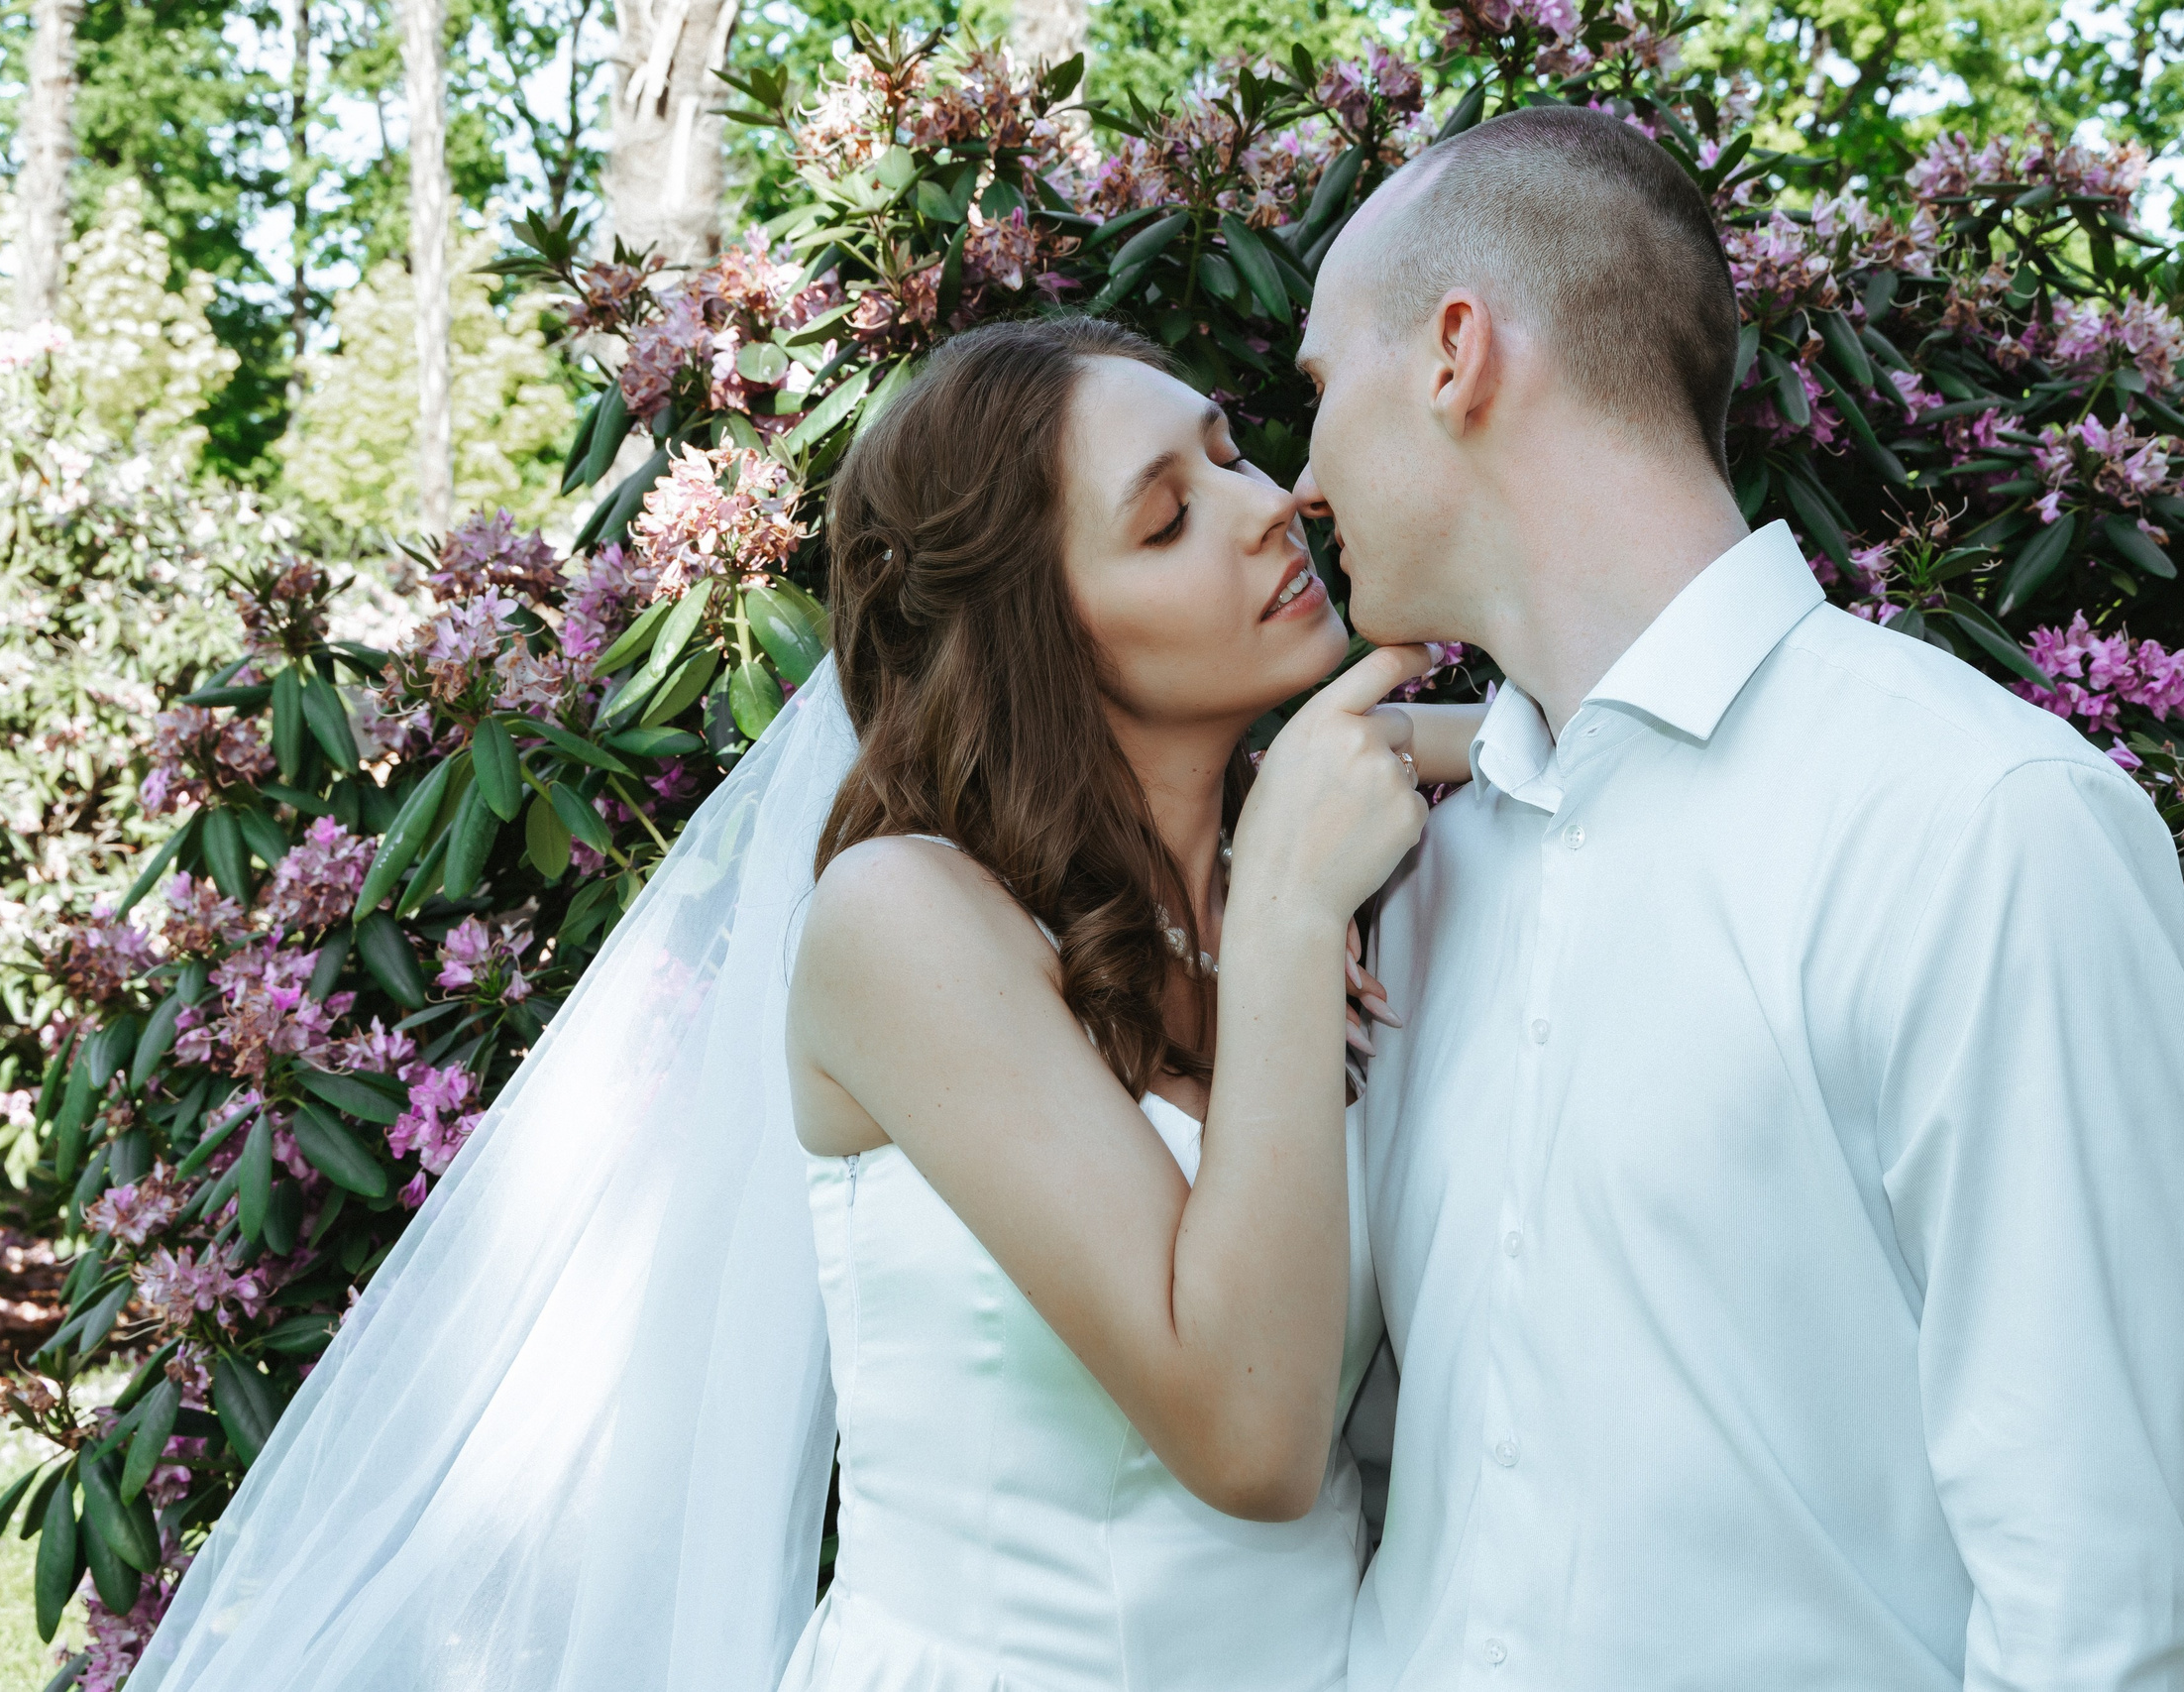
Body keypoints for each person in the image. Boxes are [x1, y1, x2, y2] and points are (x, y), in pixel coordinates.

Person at [123, 316, 1483, 1692]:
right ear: (1038, 638)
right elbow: (1250, 1441)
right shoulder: (910, 924)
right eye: (1168, 517)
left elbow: (1559, 749)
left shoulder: (1281, 854)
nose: (1272, 510)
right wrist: (1294, 928)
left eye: (1235, 455)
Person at [1292, 105, 2184, 1688]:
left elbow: (2097, 1618)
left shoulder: (1980, 830)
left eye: (1322, 391)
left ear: (1455, 354)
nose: (1304, 478)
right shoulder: (1418, 872)